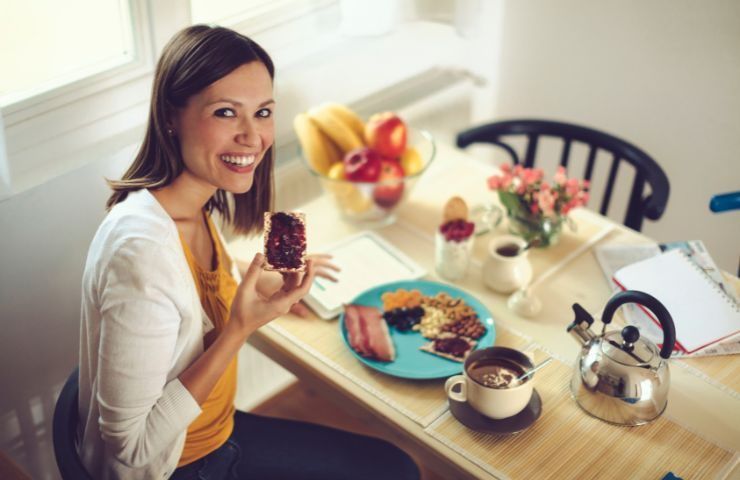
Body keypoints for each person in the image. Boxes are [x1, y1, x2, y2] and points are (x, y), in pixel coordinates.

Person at [78, 24, 420, 480]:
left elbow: (185, 289)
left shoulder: (191, 205)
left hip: (217, 430)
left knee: (392, 465)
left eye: (262, 112)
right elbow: (131, 447)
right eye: (225, 113)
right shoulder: (139, 253)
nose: (252, 136)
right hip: (181, 464)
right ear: (170, 116)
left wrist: (258, 280)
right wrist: (239, 328)